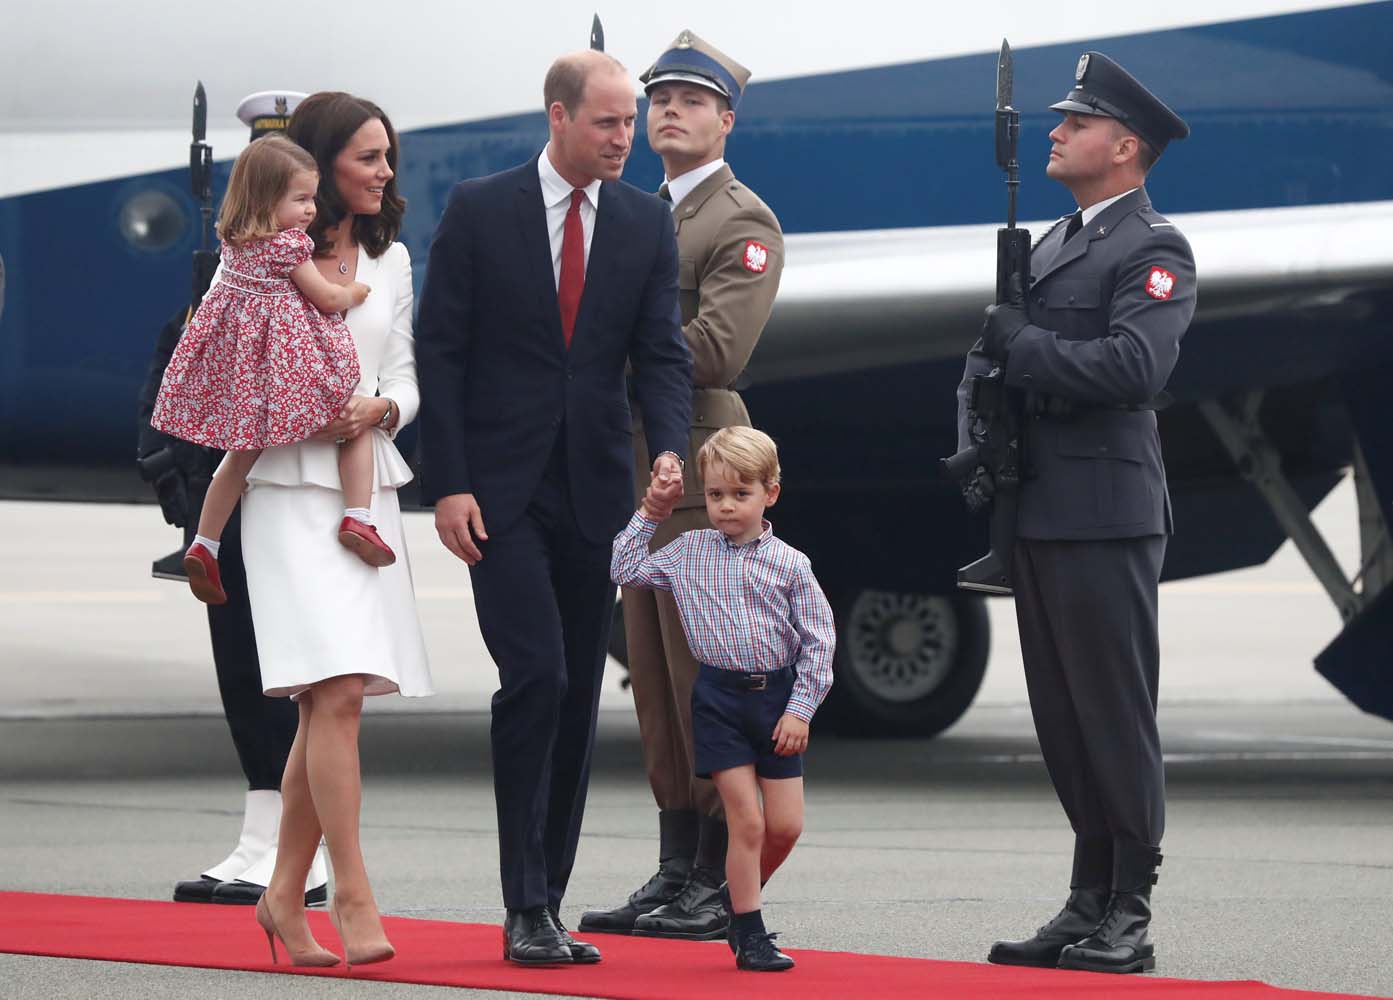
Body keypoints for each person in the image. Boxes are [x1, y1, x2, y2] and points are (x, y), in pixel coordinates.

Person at [416, 50, 692, 966]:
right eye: (610, 122)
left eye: (631, 122)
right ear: (558, 117)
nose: (627, 138)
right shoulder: (478, 209)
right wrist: (446, 482)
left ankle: (547, 906)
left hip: (597, 491)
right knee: (533, 676)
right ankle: (522, 899)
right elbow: (441, 353)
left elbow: (660, 356)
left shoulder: (647, 224)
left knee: (576, 693)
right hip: (497, 493)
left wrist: (668, 455)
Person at [957, 52, 1195, 975]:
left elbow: (1135, 370)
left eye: (1076, 122)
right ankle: (1085, 898)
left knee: (1111, 713)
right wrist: (976, 438)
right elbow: (988, 353)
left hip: (1102, 507)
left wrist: (1026, 347)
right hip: (1041, 503)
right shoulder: (1056, 240)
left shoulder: (1151, 248)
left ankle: (1127, 908)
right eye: (1056, 121)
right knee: (1061, 718)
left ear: (1124, 146)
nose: (1055, 132)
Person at [580, 30, 784, 943]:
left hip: (702, 482)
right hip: (637, 471)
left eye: (692, 100)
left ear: (726, 120)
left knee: (707, 680)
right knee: (657, 687)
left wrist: (600, 349)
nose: (669, 111)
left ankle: (714, 874)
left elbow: (716, 349)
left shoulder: (738, 221)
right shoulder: (629, 210)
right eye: (659, 98)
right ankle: (674, 865)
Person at [239, 90, 432, 969]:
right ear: (319, 162)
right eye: (366, 156)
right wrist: (310, 410)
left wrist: (383, 406)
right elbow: (225, 365)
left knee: (334, 701)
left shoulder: (388, 260)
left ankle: (283, 894)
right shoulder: (258, 250)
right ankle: (350, 889)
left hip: (364, 483)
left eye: (386, 156)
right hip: (284, 485)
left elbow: (404, 372)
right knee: (337, 694)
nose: (384, 172)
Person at [135, 89, 327, 909]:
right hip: (233, 494)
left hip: (294, 485)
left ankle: (304, 857)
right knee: (242, 668)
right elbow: (178, 369)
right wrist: (176, 479)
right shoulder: (225, 269)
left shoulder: (311, 263)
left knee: (297, 675)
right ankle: (260, 838)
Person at [611, 426, 834, 971]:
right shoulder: (687, 551)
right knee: (747, 823)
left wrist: (800, 709)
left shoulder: (790, 564)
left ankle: (735, 908)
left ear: (770, 494)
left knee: (785, 827)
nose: (726, 508)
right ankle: (752, 932)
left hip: (776, 700)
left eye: (741, 495)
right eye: (715, 496)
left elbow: (819, 641)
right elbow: (622, 568)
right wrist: (652, 512)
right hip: (718, 700)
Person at [152, 132, 396, 606]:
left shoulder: (234, 243)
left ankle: (205, 542)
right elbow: (324, 297)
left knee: (239, 456)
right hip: (288, 370)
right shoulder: (287, 247)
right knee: (354, 420)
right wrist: (354, 294)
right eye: (301, 199)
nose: (310, 210)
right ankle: (359, 517)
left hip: (247, 377)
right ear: (268, 200)